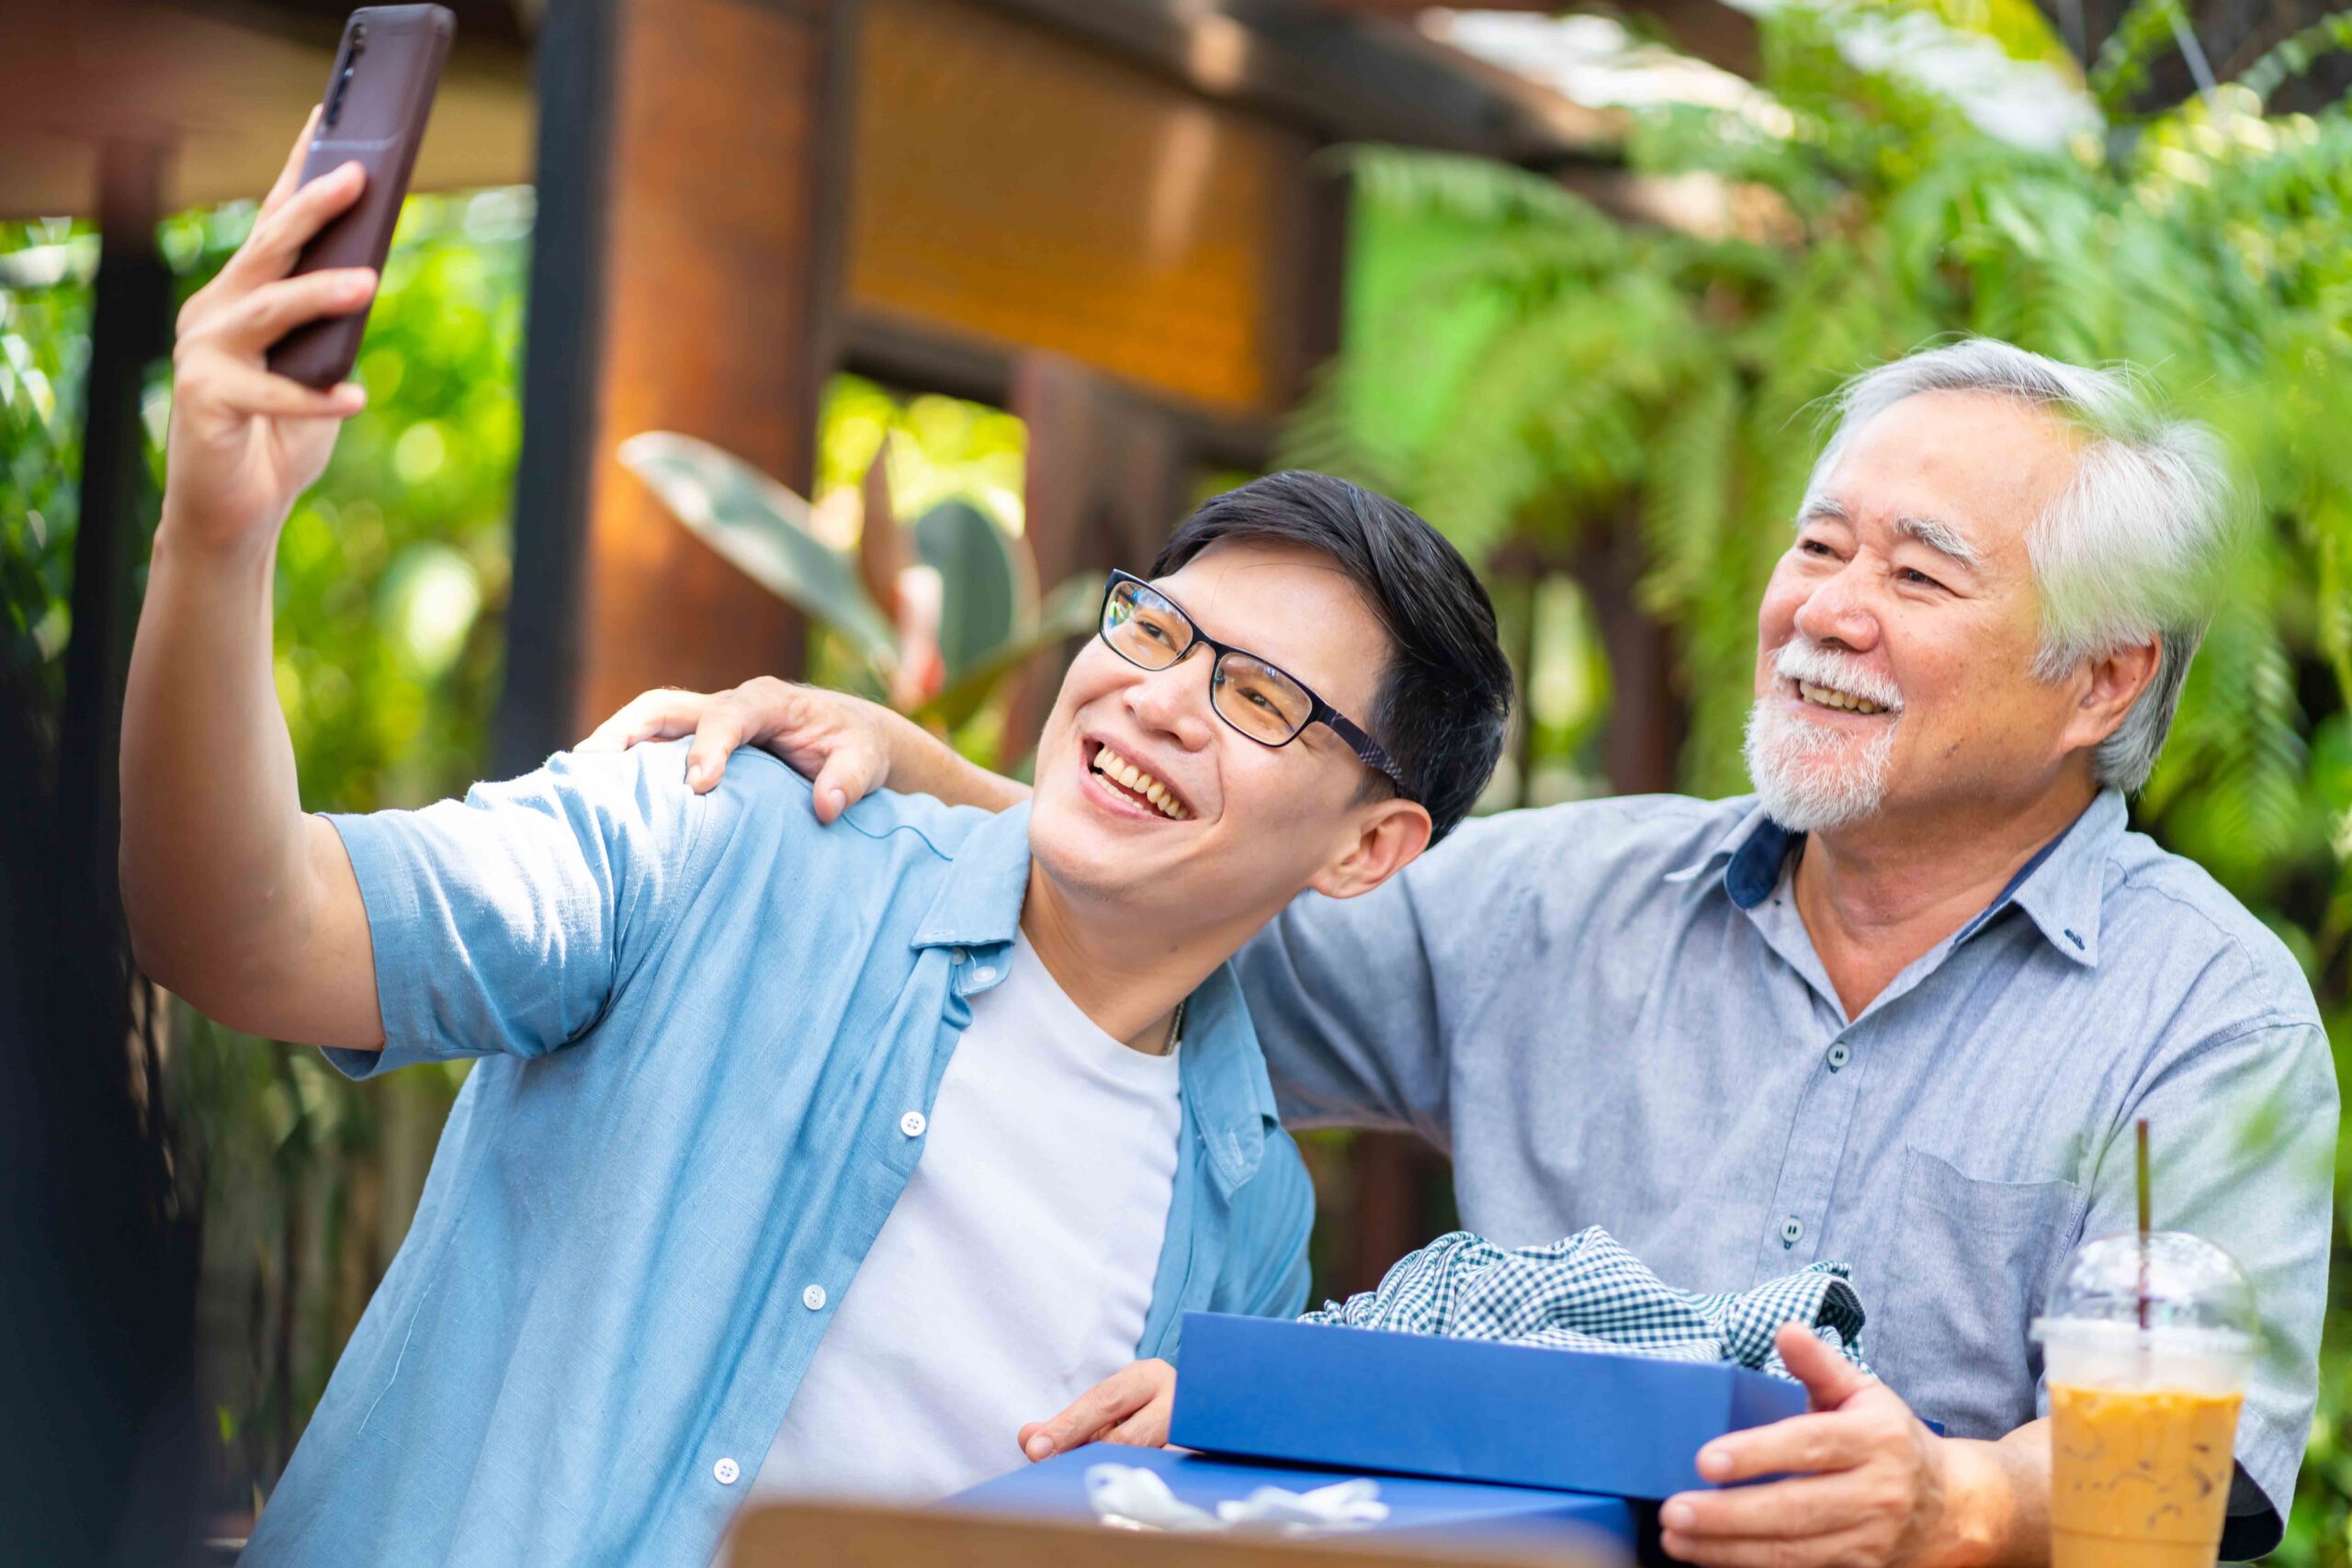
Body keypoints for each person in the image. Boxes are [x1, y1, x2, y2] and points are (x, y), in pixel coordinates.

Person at [607, 338, 2337, 1567]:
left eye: (1918, 572)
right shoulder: (1563, 898)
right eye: (1817, 545)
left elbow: (2196, 1476)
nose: (1827, 607)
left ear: (2103, 680)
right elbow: (1175, 911)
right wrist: (925, 768)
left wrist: (1948, 1511)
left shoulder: (2203, 1014)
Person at [115, 122, 1513, 1566]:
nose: (1156, 703)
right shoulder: (721, 833)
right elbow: (242, 932)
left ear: (1369, 847)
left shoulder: (1245, 1209)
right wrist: (217, 537)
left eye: (1259, 696)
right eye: (1158, 628)